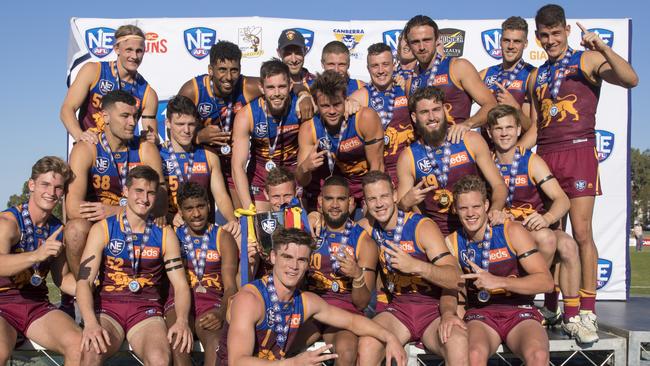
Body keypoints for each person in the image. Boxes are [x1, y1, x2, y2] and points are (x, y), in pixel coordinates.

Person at [521, 4, 638, 336]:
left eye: (556, 33)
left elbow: (631, 79)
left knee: (582, 233)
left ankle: (587, 309)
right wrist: (512, 152)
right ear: (538, 36)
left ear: (567, 31)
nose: (550, 40)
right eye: (544, 35)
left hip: (579, 151)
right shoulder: (535, 75)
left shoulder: (585, 60)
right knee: (553, 236)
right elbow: (534, 128)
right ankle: (554, 305)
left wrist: (601, 47)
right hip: (546, 154)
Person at [219, 227, 406, 365]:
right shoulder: (249, 299)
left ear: (309, 264)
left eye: (301, 260)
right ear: (273, 257)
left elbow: (352, 322)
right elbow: (238, 361)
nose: (294, 266)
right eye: (287, 257)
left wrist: (390, 337)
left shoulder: (305, 301)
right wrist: (293, 363)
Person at [486, 105, 587, 342]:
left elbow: (561, 199)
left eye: (509, 127)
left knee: (567, 245)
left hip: (534, 231)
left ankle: (568, 316)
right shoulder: (485, 161)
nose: (504, 133)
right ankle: (527, 303)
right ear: (489, 132)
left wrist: (547, 218)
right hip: (503, 236)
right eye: (498, 128)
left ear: (519, 129)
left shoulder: (531, 161)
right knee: (547, 238)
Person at [76, 166, 193, 365]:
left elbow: (181, 285)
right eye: (139, 191)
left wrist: (182, 320)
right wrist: (90, 323)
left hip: (146, 312)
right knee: (91, 352)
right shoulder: (103, 228)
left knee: (159, 360)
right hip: (108, 310)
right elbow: (84, 281)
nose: (144, 198)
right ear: (125, 191)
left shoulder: (165, 234)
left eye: (151, 193)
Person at [356, 171, 467, 365]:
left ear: (396, 195)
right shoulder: (367, 227)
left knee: (457, 341)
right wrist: (316, 219)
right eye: (372, 199)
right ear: (365, 203)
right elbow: (336, 233)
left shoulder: (422, 226)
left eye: (384, 196)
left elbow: (456, 278)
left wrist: (416, 266)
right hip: (399, 310)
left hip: (433, 310)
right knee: (367, 344)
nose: (379, 204)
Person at [448, 174, 554, 365]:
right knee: (473, 355)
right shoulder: (452, 242)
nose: (470, 213)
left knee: (538, 356)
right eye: (464, 208)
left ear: (487, 205)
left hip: (519, 310)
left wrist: (499, 281)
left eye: (476, 206)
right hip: (482, 313)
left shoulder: (511, 230)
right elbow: (453, 290)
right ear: (455, 209)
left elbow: (546, 282)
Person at [65, 90, 165, 278]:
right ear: (106, 117)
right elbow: (72, 208)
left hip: (137, 220)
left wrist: (117, 211)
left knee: (162, 224)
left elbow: (161, 202)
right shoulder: (86, 149)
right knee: (75, 230)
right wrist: (108, 215)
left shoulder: (146, 149)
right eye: (125, 116)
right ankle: (85, 288)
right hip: (99, 220)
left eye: (135, 116)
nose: (132, 122)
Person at [0, 157, 85, 365]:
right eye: (45, 184)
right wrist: (36, 255)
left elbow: (62, 279)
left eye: (58, 188)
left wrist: (92, 286)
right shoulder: (8, 223)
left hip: (35, 305)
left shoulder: (58, 229)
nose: (51, 192)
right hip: (2, 305)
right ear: (31, 185)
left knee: (79, 345)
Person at [290, 176, 378, 365]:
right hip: (310, 309)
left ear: (351, 203)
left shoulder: (365, 242)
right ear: (320, 202)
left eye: (341, 199)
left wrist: (357, 275)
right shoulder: (308, 231)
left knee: (347, 351)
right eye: (329, 199)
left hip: (344, 313)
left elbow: (362, 303)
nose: (335, 205)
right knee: (282, 342)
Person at [397, 86, 507, 236]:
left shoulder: (470, 140)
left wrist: (495, 210)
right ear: (415, 117)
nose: (431, 117)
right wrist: (405, 202)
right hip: (438, 235)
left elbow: (499, 185)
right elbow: (402, 207)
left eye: (436, 109)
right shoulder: (407, 157)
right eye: (424, 112)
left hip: (479, 227)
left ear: (444, 110)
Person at [177, 41, 260, 209]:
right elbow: (175, 130)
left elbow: (284, 86)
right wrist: (198, 136)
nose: (228, 77)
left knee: (241, 215)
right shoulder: (192, 90)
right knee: (202, 215)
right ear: (210, 70)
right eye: (222, 70)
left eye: (234, 70)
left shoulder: (247, 87)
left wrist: (303, 95)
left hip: (233, 163)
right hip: (203, 160)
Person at [164, 182, 238, 366]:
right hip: (179, 303)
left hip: (211, 303)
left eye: (200, 206)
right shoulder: (172, 235)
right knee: (179, 343)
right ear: (180, 211)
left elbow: (230, 286)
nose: (196, 214)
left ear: (209, 205)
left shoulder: (223, 236)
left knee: (215, 346)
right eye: (189, 208)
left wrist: (221, 313)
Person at [296, 70, 384, 213]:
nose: (331, 111)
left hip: (365, 187)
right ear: (316, 104)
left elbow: (377, 165)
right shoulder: (309, 129)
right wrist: (305, 167)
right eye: (325, 106)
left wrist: (371, 199)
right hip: (333, 192)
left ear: (346, 99)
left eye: (337, 104)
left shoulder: (365, 118)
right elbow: (302, 180)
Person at [403, 15, 496, 143]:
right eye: (415, 42)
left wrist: (467, 124)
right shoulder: (411, 82)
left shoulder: (457, 67)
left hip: (458, 152)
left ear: (437, 40)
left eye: (427, 40)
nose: (422, 47)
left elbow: (491, 105)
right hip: (427, 156)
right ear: (408, 44)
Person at [60, 24, 158, 144]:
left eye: (139, 51)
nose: (134, 56)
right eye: (129, 50)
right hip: (91, 147)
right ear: (117, 49)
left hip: (124, 156)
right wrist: (79, 135)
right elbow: (67, 109)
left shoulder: (148, 93)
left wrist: (152, 138)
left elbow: (152, 134)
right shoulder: (94, 71)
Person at [231, 59, 302, 212]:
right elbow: (238, 166)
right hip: (260, 179)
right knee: (261, 231)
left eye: (282, 87)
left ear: (290, 86)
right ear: (261, 88)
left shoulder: (301, 107)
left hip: (292, 179)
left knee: (295, 232)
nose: (276, 93)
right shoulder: (247, 115)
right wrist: (247, 206)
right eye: (270, 87)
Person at [159, 94, 237, 230]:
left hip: (203, 230)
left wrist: (232, 221)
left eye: (191, 124)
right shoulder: (157, 154)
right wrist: (169, 217)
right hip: (169, 228)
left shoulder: (208, 154)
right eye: (180, 124)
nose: (186, 130)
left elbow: (221, 196)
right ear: (167, 123)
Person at [350, 42, 415, 186]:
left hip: (407, 170)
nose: (380, 70)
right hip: (375, 171)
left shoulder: (407, 89)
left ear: (394, 65)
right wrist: (349, 105)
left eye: (385, 64)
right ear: (368, 69)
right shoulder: (360, 96)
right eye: (375, 66)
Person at [479, 16, 535, 131]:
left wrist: (516, 108)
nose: (510, 46)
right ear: (500, 42)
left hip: (516, 147)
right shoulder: (485, 74)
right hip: (485, 147)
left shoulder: (531, 75)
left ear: (525, 44)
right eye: (506, 40)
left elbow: (532, 129)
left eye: (517, 41)